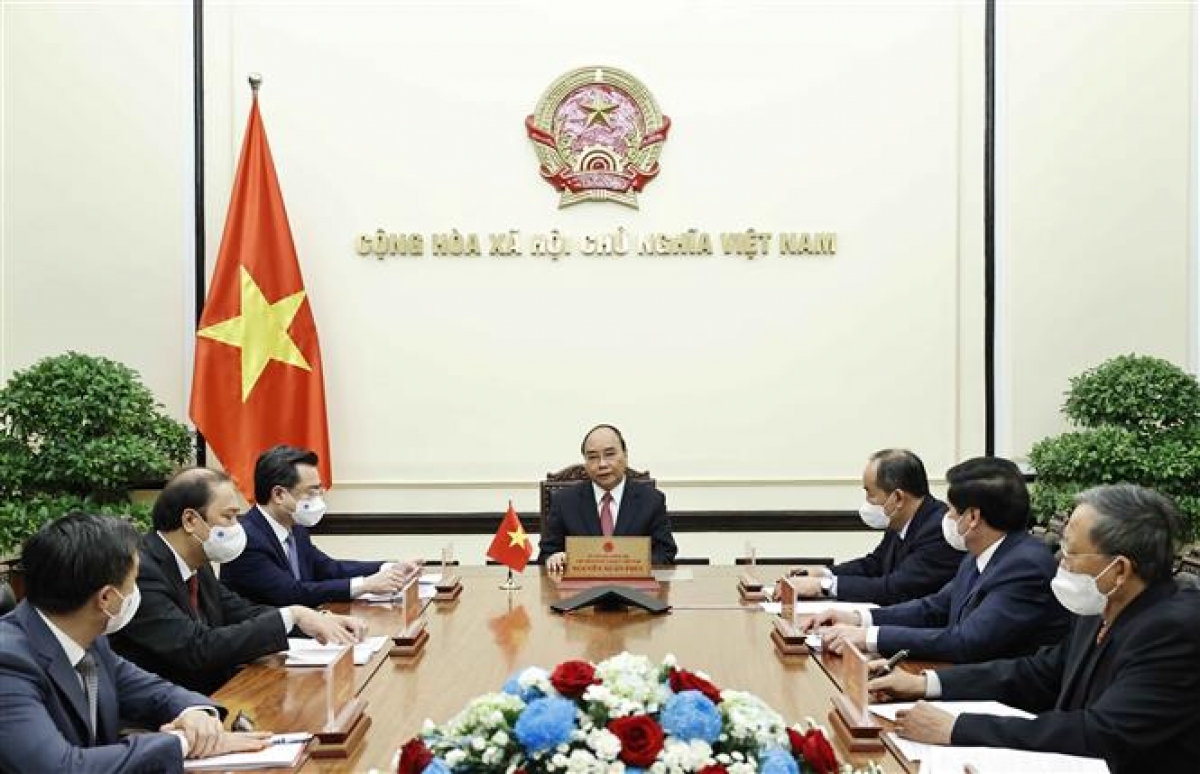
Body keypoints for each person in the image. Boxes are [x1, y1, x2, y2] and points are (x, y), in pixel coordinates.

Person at [869, 484, 1200, 774]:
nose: (1060, 561)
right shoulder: (1101, 604)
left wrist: (958, 728)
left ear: (1120, 570)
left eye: (1070, 553)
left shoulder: (1173, 629)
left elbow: (1102, 732)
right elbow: (1041, 673)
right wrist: (925, 683)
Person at [0, 512, 268, 773]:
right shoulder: (8, 662)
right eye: (134, 581)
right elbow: (59, 767)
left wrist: (194, 713)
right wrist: (181, 743)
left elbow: (152, 691)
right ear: (106, 598)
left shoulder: (87, 638)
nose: (136, 592)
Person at [110, 468, 368, 694]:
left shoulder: (198, 563)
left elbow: (238, 611)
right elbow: (197, 648)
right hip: (170, 713)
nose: (238, 526)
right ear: (190, 520)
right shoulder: (142, 571)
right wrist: (292, 616)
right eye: (229, 516)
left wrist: (314, 619)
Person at [806, 456, 1068, 662]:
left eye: (952, 510)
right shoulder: (980, 555)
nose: (947, 517)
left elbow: (967, 641)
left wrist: (870, 637)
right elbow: (933, 608)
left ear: (973, 517)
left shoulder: (1024, 566)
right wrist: (857, 619)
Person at [221, 445, 419, 607]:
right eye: (311, 491)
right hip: (269, 640)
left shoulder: (295, 527)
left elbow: (328, 568)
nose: (318, 498)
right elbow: (290, 593)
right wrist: (364, 585)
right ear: (279, 495)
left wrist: (388, 567)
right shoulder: (247, 539)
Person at [787, 449, 961, 604]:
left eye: (870, 493)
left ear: (898, 498)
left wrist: (824, 586)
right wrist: (823, 573)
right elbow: (874, 564)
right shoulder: (900, 521)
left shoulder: (937, 530)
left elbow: (895, 588)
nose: (867, 502)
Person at [539, 424, 677, 570]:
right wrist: (553, 558)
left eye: (610, 454)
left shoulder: (651, 500)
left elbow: (665, 553)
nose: (602, 464)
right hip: (582, 584)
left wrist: (632, 566)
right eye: (593, 457)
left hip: (633, 583)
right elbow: (546, 554)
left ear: (625, 455)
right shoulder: (564, 501)